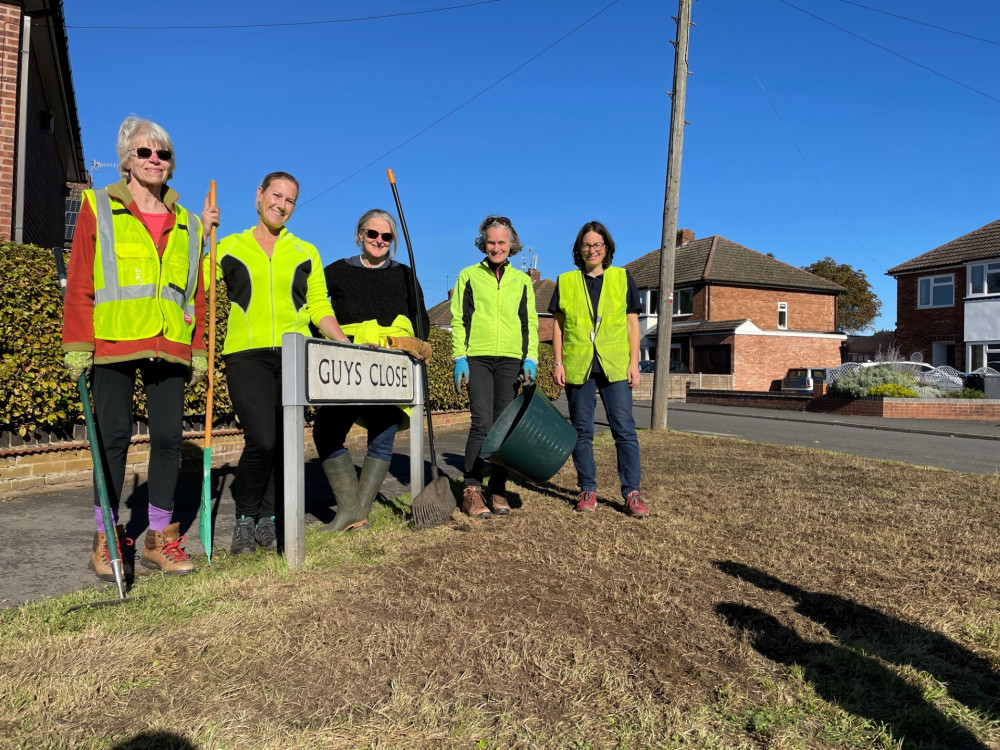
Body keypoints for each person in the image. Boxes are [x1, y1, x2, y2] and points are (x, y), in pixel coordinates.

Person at [63, 116, 214, 579]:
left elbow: (198, 291)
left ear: (171, 165)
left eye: (163, 154)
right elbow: (82, 276)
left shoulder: (189, 222)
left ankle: (158, 539)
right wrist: (77, 341)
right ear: (127, 159)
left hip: (168, 343)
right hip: (114, 341)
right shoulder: (99, 206)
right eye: (144, 152)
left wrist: (200, 348)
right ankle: (106, 538)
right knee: (111, 437)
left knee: (169, 439)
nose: (154, 160)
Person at [207, 172, 349, 554]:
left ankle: (269, 521)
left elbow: (319, 306)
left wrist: (342, 342)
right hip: (245, 355)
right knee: (262, 440)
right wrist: (204, 237)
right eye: (276, 195)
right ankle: (244, 521)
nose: (281, 205)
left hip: (294, 354)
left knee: (285, 444)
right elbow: (197, 284)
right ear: (259, 195)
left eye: (289, 200)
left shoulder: (306, 252)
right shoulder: (228, 245)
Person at [312, 209, 432, 532]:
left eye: (386, 236)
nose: (379, 241)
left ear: (393, 241)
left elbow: (423, 324)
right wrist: (348, 340)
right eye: (372, 234)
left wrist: (403, 340)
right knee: (326, 431)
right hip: (348, 366)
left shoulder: (406, 275)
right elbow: (315, 313)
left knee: (382, 437)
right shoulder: (335, 271)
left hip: (389, 370)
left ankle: (356, 513)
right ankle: (352, 508)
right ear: (360, 235)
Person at [549, 220, 647, 517]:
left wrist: (634, 362)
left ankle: (632, 492)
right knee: (581, 431)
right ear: (579, 249)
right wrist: (557, 361)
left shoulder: (622, 278)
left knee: (624, 429)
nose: (592, 250)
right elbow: (558, 325)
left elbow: (632, 323)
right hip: (579, 364)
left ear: (607, 248)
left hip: (615, 364)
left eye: (597, 245)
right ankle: (587, 488)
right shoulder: (565, 281)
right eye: (587, 245)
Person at [450, 215, 538, 519]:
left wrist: (531, 358)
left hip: (510, 360)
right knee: (481, 424)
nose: (496, 247)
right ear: (483, 243)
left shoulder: (523, 281)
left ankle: (497, 489)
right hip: (477, 358)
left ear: (511, 244)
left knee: (503, 426)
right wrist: (459, 357)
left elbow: (530, 324)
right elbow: (459, 320)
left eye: (502, 242)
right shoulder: (468, 276)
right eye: (491, 242)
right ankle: (472, 490)